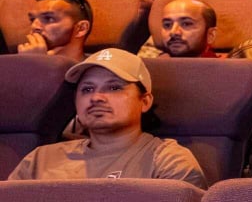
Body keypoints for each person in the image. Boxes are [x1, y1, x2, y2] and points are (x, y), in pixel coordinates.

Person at [8, 49, 205, 186]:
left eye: (114, 87)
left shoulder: (167, 161)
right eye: (87, 89)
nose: (96, 97)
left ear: (144, 101)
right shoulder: (40, 159)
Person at [139, 0, 241, 59]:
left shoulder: (227, 72)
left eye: (186, 24)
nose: (173, 32)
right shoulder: (147, 71)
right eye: (167, 25)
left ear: (211, 35)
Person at [13, 0, 94, 60]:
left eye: (49, 18)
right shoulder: (14, 65)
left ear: (81, 28)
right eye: (32, 19)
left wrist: (36, 63)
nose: (34, 26)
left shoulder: (97, 67)